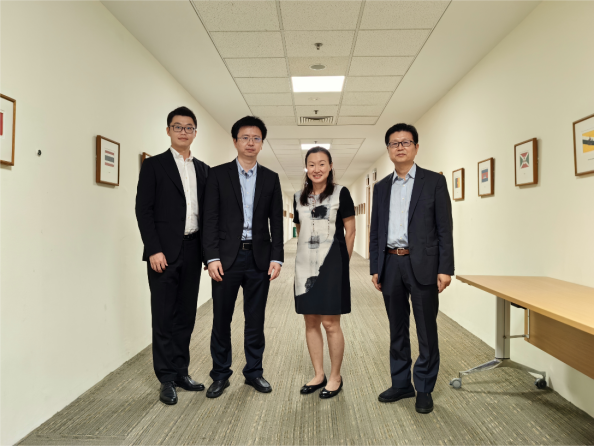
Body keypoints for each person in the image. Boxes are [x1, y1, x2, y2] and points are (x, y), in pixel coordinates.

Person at [369, 123, 454, 414]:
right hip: (391, 262)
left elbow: (444, 229)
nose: (400, 147)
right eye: (394, 143)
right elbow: (376, 231)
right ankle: (401, 383)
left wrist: (445, 268)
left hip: (424, 265)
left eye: (406, 142)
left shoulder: (434, 182)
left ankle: (424, 387)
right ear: (388, 150)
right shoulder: (381, 187)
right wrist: (375, 266)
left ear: (416, 147)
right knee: (397, 327)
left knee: (426, 329)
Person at [202, 116, 284, 399]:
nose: (251, 143)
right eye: (245, 137)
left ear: (262, 143)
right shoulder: (217, 175)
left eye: (256, 138)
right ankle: (220, 374)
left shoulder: (271, 178)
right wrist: (211, 257)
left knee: (255, 319)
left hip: (259, 259)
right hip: (226, 259)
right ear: (235, 141)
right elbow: (210, 219)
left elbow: (277, 222)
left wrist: (277, 257)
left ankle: (254, 372)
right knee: (221, 319)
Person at [135, 106, 210, 405]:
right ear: (168, 130)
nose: (183, 131)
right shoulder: (154, 166)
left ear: (195, 133)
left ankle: (181, 372)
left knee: (186, 316)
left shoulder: (203, 169)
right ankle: (166, 378)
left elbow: (208, 215)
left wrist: (209, 254)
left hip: (193, 250)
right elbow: (144, 210)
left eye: (188, 127)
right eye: (177, 126)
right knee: (164, 316)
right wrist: (153, 248)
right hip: (163, 254)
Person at [293, 147, 356, 399]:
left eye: (322, 164)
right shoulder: (298, 197)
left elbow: (350, 231)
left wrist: (342, 264)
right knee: (310, 322)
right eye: (311, 164)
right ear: (306, 168)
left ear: (330, 166)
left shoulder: (341, 193)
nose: (316, 169)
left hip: (332, 264)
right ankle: (318, 374)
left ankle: (335, 377)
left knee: (330, 323)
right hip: (304, 265)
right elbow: (301, 231)